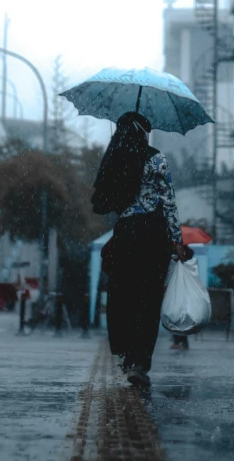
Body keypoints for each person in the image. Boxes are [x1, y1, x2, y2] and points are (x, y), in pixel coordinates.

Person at [94, 111, 185, 387]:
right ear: (144, 133)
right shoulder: (156, 158)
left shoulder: (114, 158)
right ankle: (139, 361)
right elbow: (167, 201)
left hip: (124, 234)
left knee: (123, 295)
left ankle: (124, 351)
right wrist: (177, 239)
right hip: (153, 233)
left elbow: (102, 201)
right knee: (148, 299)